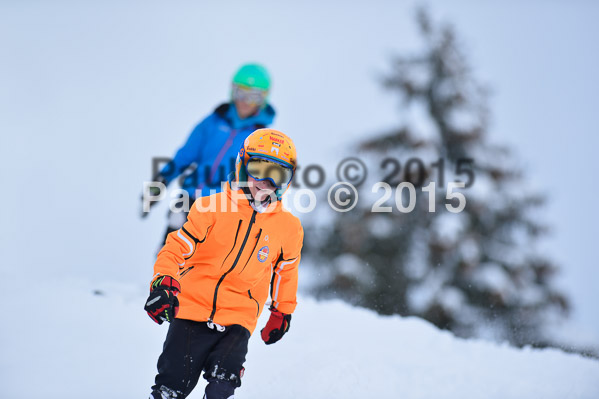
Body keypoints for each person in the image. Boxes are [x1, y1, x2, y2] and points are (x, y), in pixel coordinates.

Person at [144, 128, 304, 399]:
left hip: (239, 318)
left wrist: (282, 312)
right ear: (242, 165)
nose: (265, 182)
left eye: (277, 175)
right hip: (191, 308)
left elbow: (286, 272)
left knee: (222, 387)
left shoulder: (289, 228)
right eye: (258, 168)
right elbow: (176, 247)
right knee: (172, 386)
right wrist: (164, 282)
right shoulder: (210, 207)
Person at [144, 63, 276, 244]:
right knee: (170, 253)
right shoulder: (212, 123)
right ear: (232, 92)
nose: (245, 101)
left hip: (224, 208)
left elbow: (260, 180)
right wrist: (160, 182)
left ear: (263, 100)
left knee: (205, 263)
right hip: (189, 199)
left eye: (253, 96)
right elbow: (185, 155)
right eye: (241, 93)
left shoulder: (260, 138)